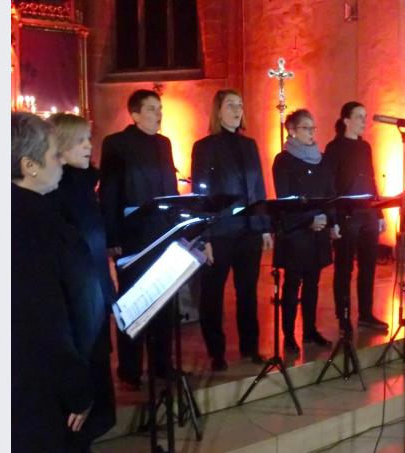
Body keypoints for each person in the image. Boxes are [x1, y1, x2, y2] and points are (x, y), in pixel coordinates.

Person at [11, 112, 92, 451]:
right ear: (29, 165)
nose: (61, 161)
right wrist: (77, 389)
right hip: (39, 389)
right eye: (55, 154)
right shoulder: (37, 227)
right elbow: (45, 320)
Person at [99, 89, 179, 388]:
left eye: (160, 108)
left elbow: (170, 189)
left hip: (163, 234)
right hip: (132, 237)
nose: (158, 114)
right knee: (133, 300)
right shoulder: (116, 144)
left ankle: (162, 364)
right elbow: (109, 193)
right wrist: (112, 237)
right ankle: (130, 368)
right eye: (151, 109)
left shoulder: (164, 143)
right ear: (134, 114)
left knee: (164, 301)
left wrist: (178, 227)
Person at [46, 113, 117, 448]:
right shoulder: (56, 193)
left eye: (89, 138)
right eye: (80, 140)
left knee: (98, 377)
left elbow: (95, 245)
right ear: (59, 147)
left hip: (95, 298)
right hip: (76, 309)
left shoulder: (86, 185)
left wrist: (108, 292)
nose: (89, 146)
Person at [191, 89, 273, 371]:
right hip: (220, 231)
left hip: (249, 230)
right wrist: (205, 236)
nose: (237, 110)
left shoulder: (249, 145)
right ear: (218, 111)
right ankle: (217, 352)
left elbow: (258, 187)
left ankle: (250, 347)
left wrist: (264, 227)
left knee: (248, 291)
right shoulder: (205, 147)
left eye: (240, 105)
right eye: (230, 105)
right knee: (213, 293)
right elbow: (201, 195)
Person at [272, 109, 335, 352]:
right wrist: (309, 219)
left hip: (318, 231)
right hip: (296, 231)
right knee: (292, 284)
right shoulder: (284, 160)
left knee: (313, 284)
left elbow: (330, 192)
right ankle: (289, 335)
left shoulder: (323, 159)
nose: (311, 132)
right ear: (292, 131)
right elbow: (285, 198)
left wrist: (330, 219)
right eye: (306, 128)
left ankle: (310, 330)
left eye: (313, 128)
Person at [323, 101, 388, 333]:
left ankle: (366, 314)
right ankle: (343, 317)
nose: (364, 121)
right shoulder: (334, 148)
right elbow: (329, 185)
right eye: (359, 116)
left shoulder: (365, 147)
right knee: (344, 268)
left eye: (365, 116)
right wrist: (332, 219)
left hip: (368, 213)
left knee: (368, 265)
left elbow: (371, 179)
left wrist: (379, 212)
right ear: (346, 120)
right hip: (346, 215)